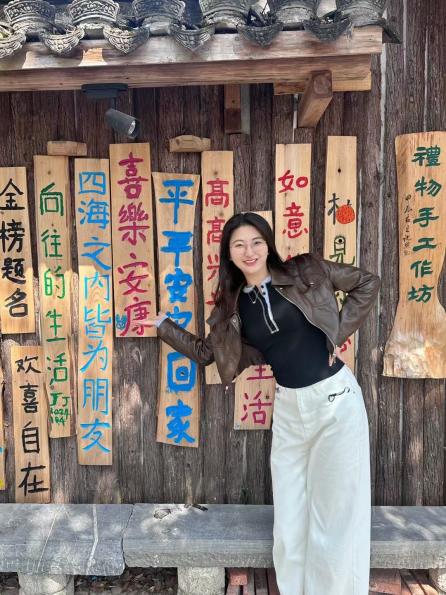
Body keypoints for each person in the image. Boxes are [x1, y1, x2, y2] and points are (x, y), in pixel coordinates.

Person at [150, 212, 380, 595]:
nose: (249, 251)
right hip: (289, 410)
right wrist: (163, 326)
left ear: (268, 243)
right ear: (229, 253)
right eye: (239, 244)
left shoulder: (306, 270)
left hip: (335, 402)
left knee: (336, 518)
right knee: (289, 520)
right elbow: (207, 354)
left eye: (256, 241)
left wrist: (336, 333)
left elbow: (367, 283)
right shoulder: (232, 309)